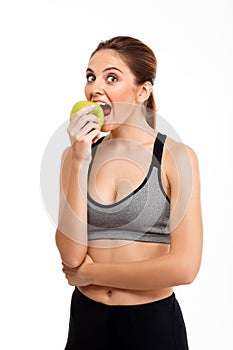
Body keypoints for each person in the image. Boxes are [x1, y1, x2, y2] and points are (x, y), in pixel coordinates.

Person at [55, 36, 203, 349]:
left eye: (112, 77)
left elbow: (185, 267)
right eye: (90, 77)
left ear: (142, 91)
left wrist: (93, 274)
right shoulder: (76, 156)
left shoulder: (175, 157)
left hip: (151, 325)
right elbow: (70, 256)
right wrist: (80, 158)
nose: (96, 88)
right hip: (86, 321)